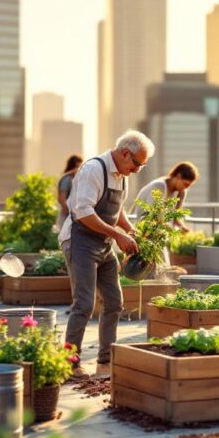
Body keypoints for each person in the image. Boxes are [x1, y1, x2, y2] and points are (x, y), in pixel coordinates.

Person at [59, 130, 149, 365]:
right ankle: (69, 362)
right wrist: (117, 234)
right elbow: (83, 212)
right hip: (80, 241)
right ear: (125, 153)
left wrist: (130, 230)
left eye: (142, 166)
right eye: (137, 164)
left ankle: (106, 359)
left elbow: (117, 209)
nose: (137, 170)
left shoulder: (122, 175)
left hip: (103, 244)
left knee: (114, 302)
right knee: (84, 304)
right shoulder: (93, 169)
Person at [132, 161, 198, 229]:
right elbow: (154, 216)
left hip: (161, 229)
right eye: (185, 184)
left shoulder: (182, 192)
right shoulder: (159, 185)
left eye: (188, 186)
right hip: (141, 226)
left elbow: (176, 217)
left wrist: (183, 228)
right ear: (178, 176)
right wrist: (171, 230)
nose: (186, 188)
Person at [56, 155, 84, 229]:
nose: (79, 169)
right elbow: (62, 199)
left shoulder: (78, 179)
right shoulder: (67, 179)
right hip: (67, 217)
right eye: (77, 166)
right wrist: (71, 215)